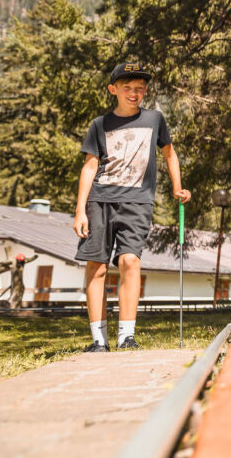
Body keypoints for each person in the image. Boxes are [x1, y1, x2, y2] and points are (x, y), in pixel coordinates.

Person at [72, 63, 191, 351]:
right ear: (113, 89)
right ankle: (99, 340)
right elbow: (89, 167)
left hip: (137, 202)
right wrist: (79, 209)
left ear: (145, 91)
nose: (134, 93)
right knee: (97, 267)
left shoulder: (155, 120)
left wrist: (177, 186)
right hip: (99, 200)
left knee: (129, 261)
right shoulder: (100, 125)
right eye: (127, 88)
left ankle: (127, 336)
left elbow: (169, 153)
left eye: (139, 88)